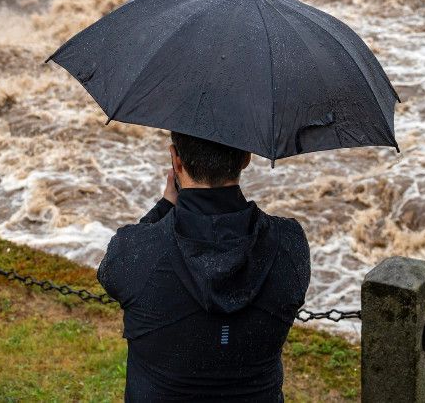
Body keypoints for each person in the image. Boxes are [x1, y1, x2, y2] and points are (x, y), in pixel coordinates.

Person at [97, 132, 311, 402]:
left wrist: (165, 207)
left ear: (176, 161)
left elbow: (111, 274)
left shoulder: (134, 251)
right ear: (247, 157)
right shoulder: (290, 244)